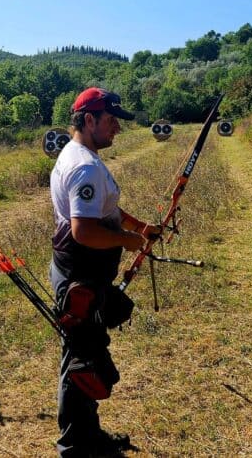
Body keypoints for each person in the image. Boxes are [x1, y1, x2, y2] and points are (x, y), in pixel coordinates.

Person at [49, 87, 161, 457]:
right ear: (89, 120)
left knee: (87, 355)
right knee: (81, 361)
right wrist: (129, 241)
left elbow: (105, 210)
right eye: (111, 121)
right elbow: (85, 230)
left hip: (78, 273)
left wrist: (140, 227)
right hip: (81, 278)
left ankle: (87, 435)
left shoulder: (81, 155)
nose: (117, 128)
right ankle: (76, 447)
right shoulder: (84, 165)